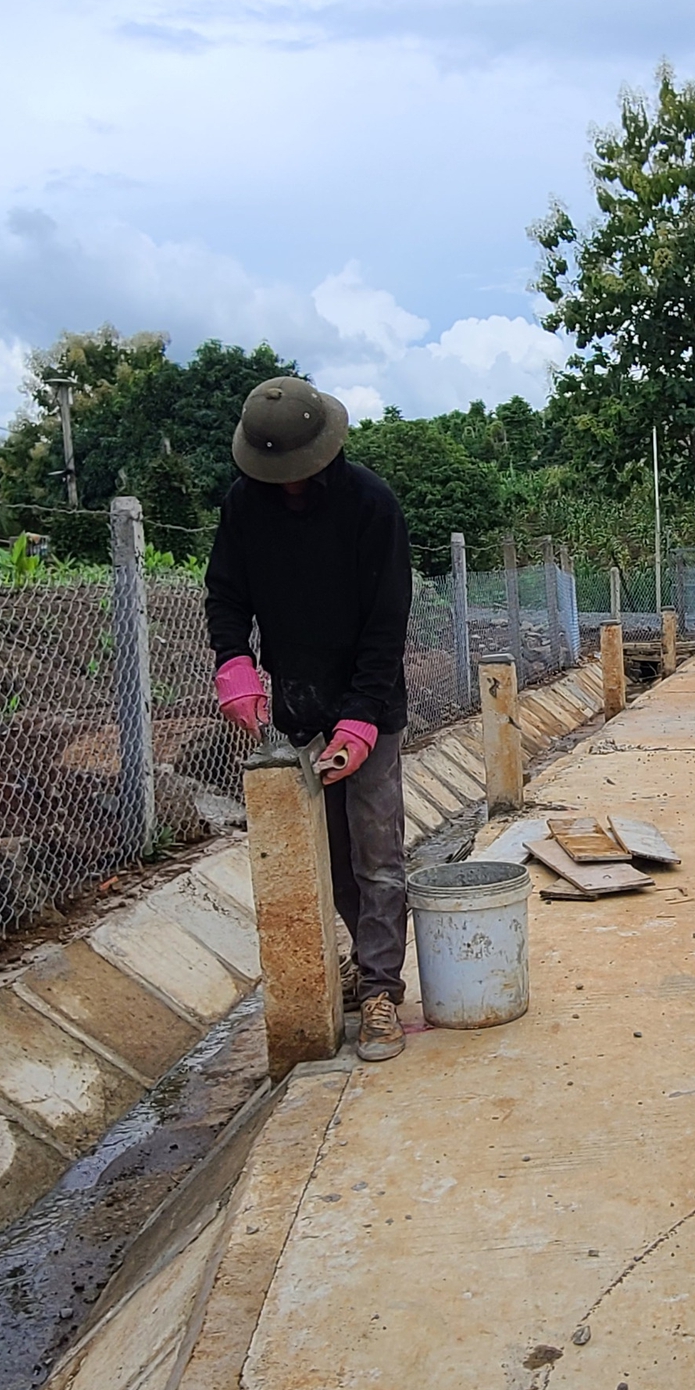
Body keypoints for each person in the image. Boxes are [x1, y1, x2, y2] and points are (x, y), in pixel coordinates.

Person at [205, 376, 414, 1063]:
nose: (289, 486)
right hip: (299, 705)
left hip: (370, 707)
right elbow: (226, 594)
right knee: (334, 858)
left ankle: (382, 989)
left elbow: (387, 624)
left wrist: (360, 720)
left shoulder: (371, 507)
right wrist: (233, 662)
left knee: (378, 853)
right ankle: (366, 956)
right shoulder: (244, 508)